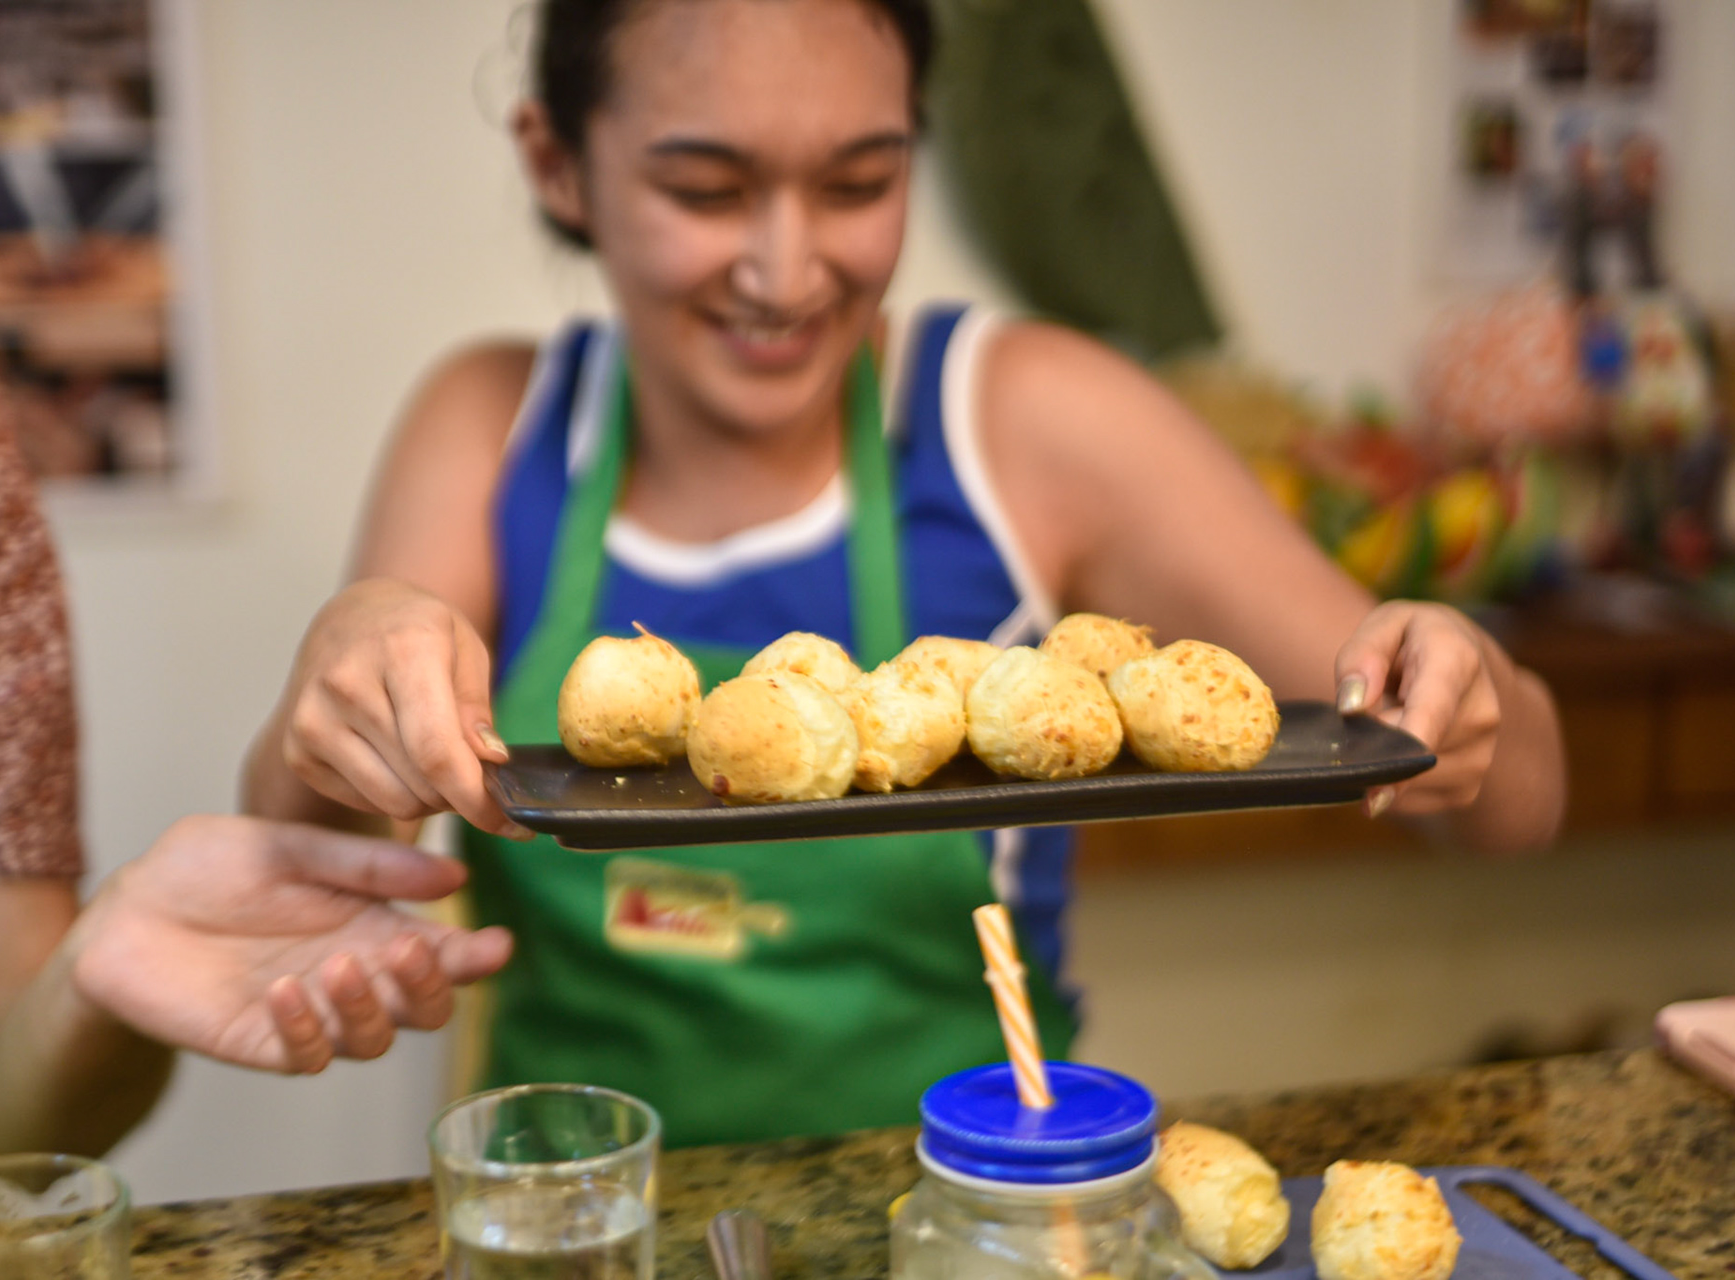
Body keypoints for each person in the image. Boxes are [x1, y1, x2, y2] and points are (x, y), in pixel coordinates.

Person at [243, 0, 1566, 1147]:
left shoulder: (1031, 421)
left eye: (861, 182)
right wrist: (352, 659)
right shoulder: (493, 428)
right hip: (583, 1215)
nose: (787, 266)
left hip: (970, 1209)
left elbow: (1510, 805)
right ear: (560, 164)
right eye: (705, 190)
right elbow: (309, 853)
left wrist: (1462, 688)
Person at [0, 322, 512, 1158]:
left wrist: (92, 971)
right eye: (701, 190)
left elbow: (8, 1130)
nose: (772, 275)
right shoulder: (495, 415)